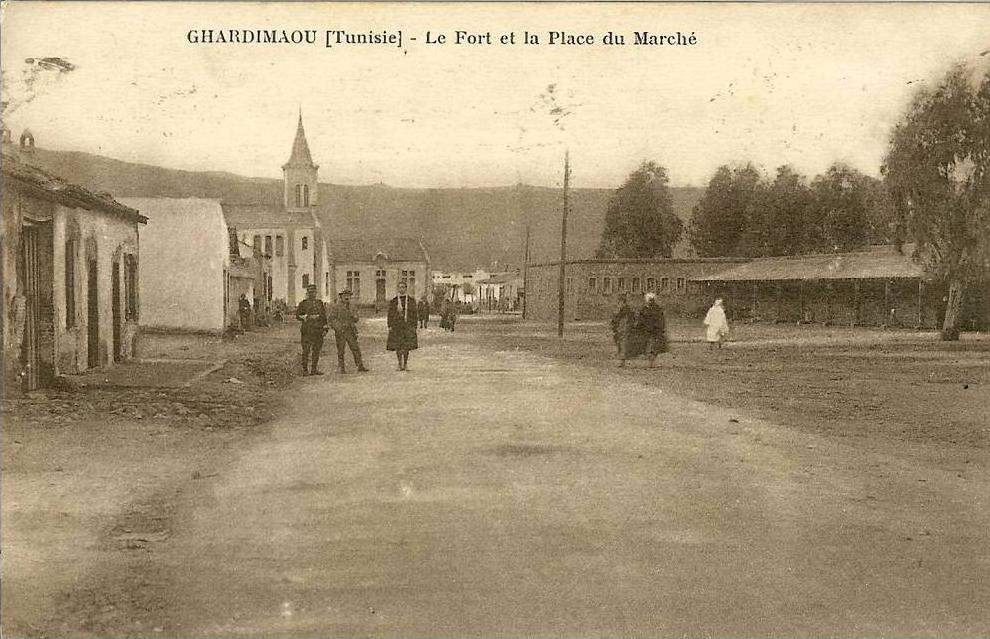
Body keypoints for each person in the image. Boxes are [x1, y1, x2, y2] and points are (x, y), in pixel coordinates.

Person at [621, 293, 668, 368]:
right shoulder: (644, 309)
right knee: (644, 346)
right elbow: (640, 319)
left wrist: (660, 328)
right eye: (649, 300)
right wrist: (637, 327)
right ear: (647, 301)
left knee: (653, 347)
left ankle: (651, 363)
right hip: (645, 331)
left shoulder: (657, 309)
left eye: (652, 300)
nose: (651, 302)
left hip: (655, 331)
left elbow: (661, 319)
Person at [328, 289, 368, 373]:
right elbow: (331, 320)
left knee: (355, 348)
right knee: (341, 350)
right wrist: (338, 327)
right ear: (341, 297)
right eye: (344, 295)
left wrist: (355, 317)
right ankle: (341, 367)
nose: (346, 297)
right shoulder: (336, 307)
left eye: (348, 295)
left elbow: (356, 318)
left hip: (351, 331)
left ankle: (360, 365)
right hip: (341, 331)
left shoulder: (352, 306)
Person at [295, 284, 328, 375]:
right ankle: (305, 370)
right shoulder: (303, 303)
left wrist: (325, 329)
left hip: (318, 330)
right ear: (307, 293)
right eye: (310, 292)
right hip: (307, 330)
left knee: (316, 350)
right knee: (306, 350)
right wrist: (304, 317)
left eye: (313, 292)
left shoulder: (319, 303)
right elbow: (297, 315)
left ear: (316, 292)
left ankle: (314, 369)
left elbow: (324, 317)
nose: (312, 294)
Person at [387, 281, 419, 371]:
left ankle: (405, 363)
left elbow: (414, 314)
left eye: (403, 287)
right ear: (398, 289)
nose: (401, 289)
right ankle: (399, 363)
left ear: (406, 288)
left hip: (407, 326)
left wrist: (414, 326)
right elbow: (390, 314)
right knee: (398, 346)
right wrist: (390, 325)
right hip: (397, 326)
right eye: (400, 287)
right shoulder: (394, 301)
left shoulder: (410, 300)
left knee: (406, 346)